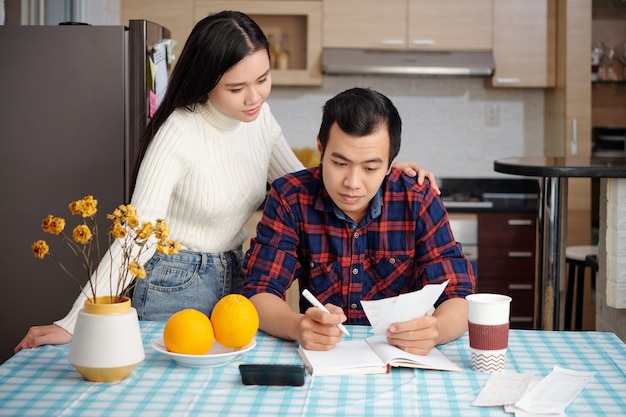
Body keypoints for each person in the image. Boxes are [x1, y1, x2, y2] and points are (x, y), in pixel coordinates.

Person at [15, 12, 437, 353]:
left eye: (263, 79)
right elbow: (134, 238)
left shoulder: (259, 119)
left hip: (235, 278)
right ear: (206, 81)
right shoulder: (179, 133)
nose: (254, 98)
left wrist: (386, 173)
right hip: (173, 283)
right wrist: (76, 322)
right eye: (237, 88)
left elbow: (310, 185)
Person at [242, 87, 475, 356]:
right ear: (321, 147)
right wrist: (298, 326)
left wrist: (434, 330)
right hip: (325, 356)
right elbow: (259, 290)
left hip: (398, 357)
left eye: (370, 168)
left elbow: (458, 294)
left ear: (390, 164)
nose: (352, 183)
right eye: (340, 164)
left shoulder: (417, 199)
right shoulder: (291, 196)